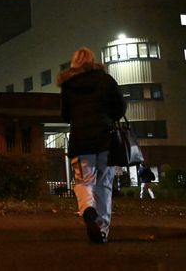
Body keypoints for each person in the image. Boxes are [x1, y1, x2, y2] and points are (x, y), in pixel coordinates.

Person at [58, 46, 127, 244]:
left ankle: (88, 211)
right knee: (104, 185)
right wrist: (107, 117)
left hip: (81, 140)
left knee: (83, 181)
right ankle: (102, 228)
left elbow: (65, 115)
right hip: (105, 139)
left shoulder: (68, 84)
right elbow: (120, 107)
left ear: (74, 63)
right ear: (92, 60)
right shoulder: (106, 80)